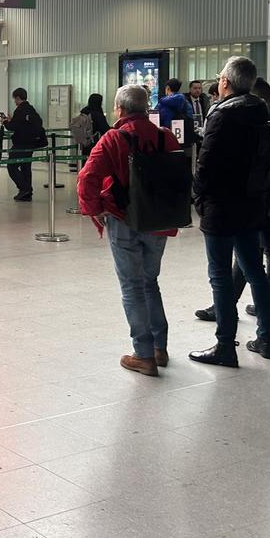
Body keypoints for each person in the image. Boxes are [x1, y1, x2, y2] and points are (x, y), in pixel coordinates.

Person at [77, 85, 180, 377]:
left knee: (132, 287)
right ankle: (160, 348)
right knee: (150, 282)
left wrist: (95, 210)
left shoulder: (114, 138)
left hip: (124, 219)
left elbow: (87, 178)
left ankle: (143, 354)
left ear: (121, 109)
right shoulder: (165, 136)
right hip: (158, 220)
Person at [190, 56, 270, 366]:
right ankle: (265, 337)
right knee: (255, 269)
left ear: (225, 82)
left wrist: (198, 196)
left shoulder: (222, 115)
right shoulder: (260, 110)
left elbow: (207, 164)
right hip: (252, 202)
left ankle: (225, 345)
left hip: (221, 205)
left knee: (220, 276)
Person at [194, 78, 270, 323]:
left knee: (237, 263)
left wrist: (199, 196)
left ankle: (227, 332)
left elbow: (210, 162)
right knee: (261, 256)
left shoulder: (245, 117)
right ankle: (266, 320)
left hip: (252, 197)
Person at [0, 87, 44, 202]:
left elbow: (12, 127)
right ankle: (27, 192)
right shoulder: (31, 109)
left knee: (11, 166)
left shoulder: (20, 110)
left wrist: (5, 121)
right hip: (31, 143)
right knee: (26, 167)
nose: (14, 101)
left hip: (20, 143)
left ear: (18, 98)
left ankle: (24, 189)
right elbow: (23, 123)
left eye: (15, 99)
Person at [158, 78, 193, 143]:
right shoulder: (186, 102)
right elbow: (190, 118)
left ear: (167, 88)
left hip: (167, 138)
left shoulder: (162, 104)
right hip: (184, 138)